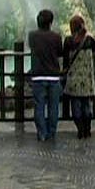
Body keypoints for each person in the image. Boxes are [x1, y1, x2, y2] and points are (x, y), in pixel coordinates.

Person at [62, 15, 95, 139]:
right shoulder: (89, 40)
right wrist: (94, 67)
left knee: (76, 106)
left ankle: (80, 130)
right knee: (86, 105)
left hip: (73, 79)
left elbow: (65, 60)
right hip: (87, 79)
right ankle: (87, 130)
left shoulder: (68, 41)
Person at [28, 9, 63, 141]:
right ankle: (52, 133)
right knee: (54, 106)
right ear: (51, 22)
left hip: (38, 75)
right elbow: (60, 53)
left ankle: (42, 133)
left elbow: (32, 47)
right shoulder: (56, 37)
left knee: (39, 106)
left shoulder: (32, 35)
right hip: (54, 75)